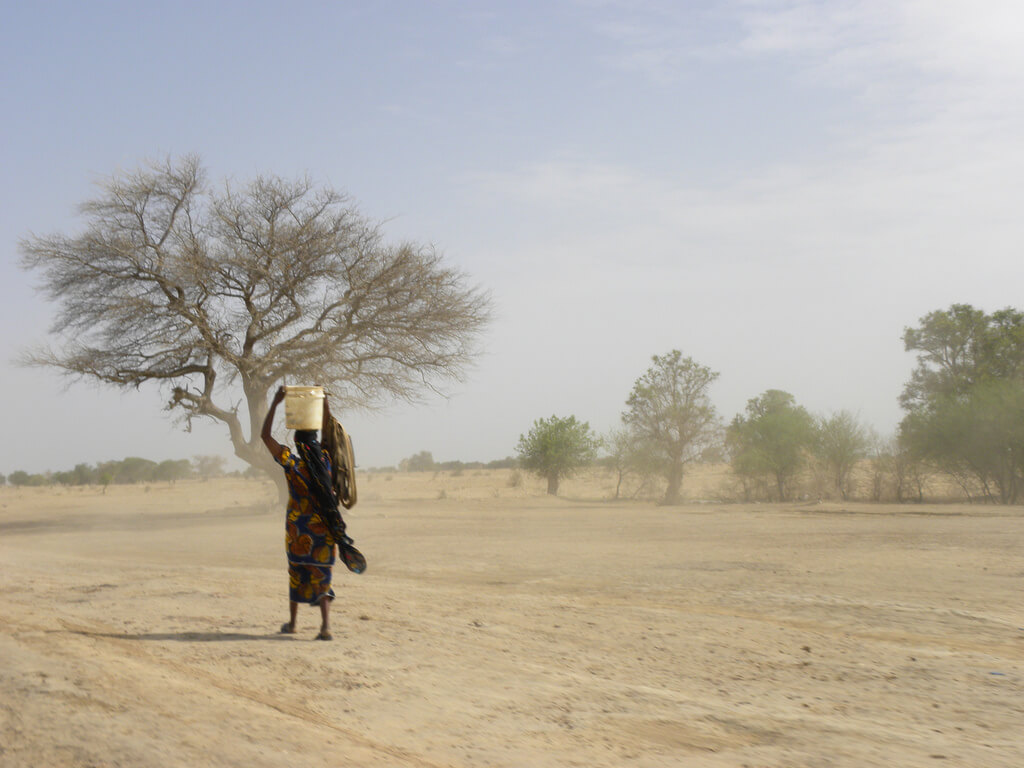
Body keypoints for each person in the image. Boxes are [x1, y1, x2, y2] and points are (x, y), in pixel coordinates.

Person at [261, 385, 341, 640]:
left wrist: (275, 402)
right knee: (322, 576)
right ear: (315, 441)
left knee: (297, 573)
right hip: (325, 530)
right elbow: (329, 436)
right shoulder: (327, 460)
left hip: (297, 531)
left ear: (296, 441)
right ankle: (325, 626)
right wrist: (324, 403)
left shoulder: (290, 462)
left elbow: (265, 437)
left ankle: (293, 623)